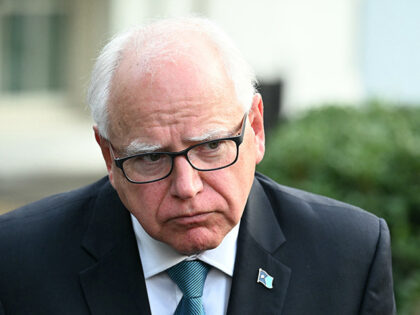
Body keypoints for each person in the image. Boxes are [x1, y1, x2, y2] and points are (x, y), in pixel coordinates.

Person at [0, 17, 395, 315]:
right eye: (151, 157)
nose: (186, 187)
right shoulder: (19, 259)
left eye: (210, 146)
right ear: (109, 156)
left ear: (255, 130)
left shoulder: (350, 253)